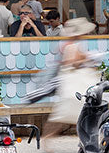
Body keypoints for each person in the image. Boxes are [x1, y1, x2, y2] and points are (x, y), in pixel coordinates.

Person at [42, 18, 99, 146]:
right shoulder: (70, 45)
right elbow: (70, 63)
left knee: (73, 111)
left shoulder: (73, 44)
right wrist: (86, 59)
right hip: (72, 82)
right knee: (67, 111)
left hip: (74, 81)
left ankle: (82, 139)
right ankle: (47, 137)